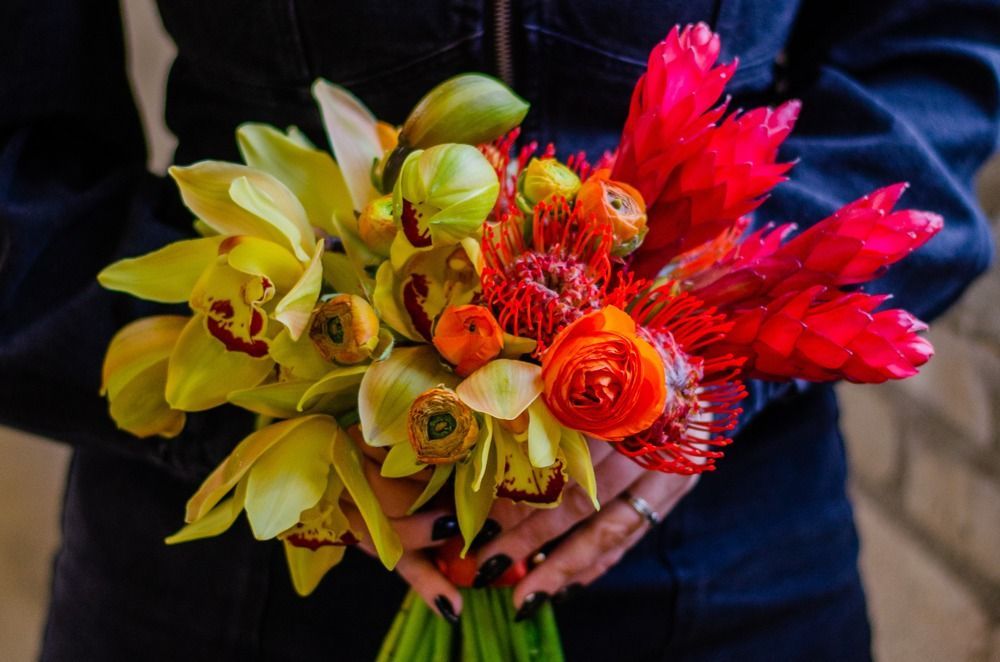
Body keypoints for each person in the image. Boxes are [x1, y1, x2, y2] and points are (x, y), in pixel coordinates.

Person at [1, 1, 997, 660]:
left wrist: (720, 350)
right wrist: (278, 398)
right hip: (231, 569)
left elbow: (933, 53)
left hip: (732, 557)